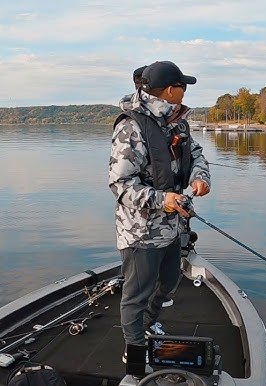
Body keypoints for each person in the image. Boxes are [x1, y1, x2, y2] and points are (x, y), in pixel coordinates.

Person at [108, 60, 211, 365]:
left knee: (168, 282)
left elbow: (196, 154)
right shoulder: (130, 127)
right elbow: (121, 185)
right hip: (141, 233)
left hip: (173, 227)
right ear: (170, 90)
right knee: (135, 296)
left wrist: (200, 178)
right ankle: (136, 351)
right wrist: (161, 199)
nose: (185, 90)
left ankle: (149, 323)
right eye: (182, 85)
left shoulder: (178, 121)